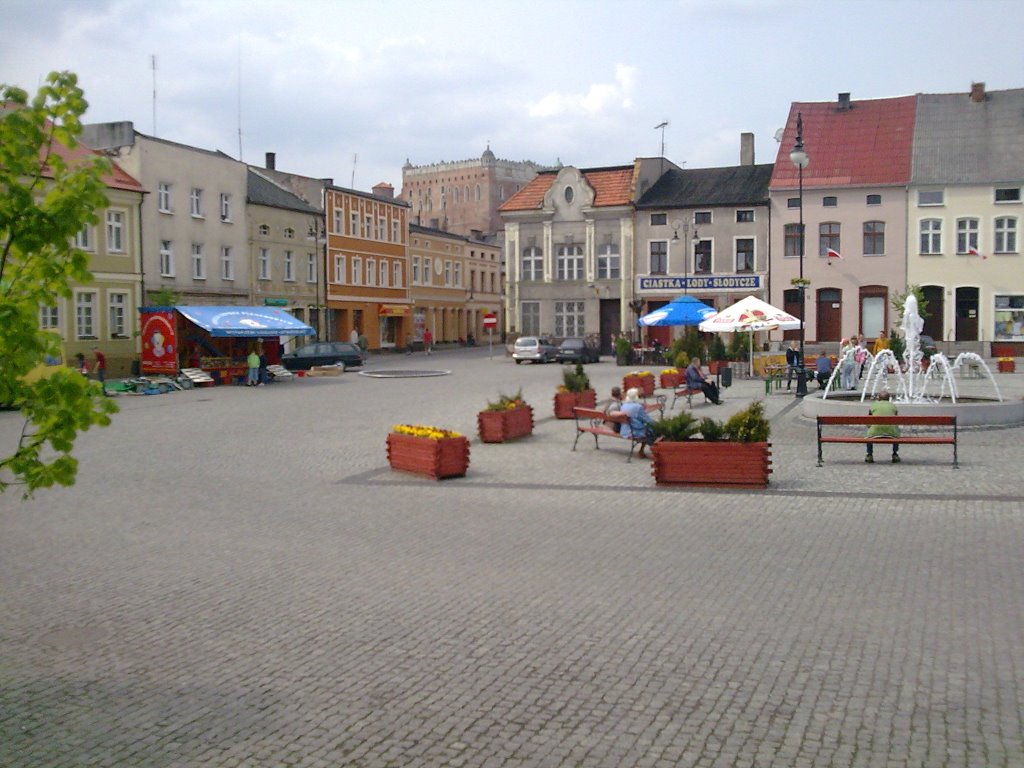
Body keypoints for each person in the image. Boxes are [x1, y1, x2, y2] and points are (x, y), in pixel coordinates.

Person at [617, 388, 658, 458]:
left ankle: (643, 451)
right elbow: (648, 420)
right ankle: (656, 451)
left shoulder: (623, 406)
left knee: (649, 429)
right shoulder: (638, 407)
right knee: (654, 431)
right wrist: (658, 425)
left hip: (625, 430)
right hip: (634, 432)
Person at [866, 390, 900, 463]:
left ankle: (869, 454)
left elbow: (868, 422)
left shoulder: (873, 405)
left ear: (878, 398)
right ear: (888, 399)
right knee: (896, 430)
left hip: (874, 433)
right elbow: (896, 421)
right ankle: (895, 454)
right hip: (892, 434)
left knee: (868, 433)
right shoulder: (893, 406)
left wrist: (869, 427)